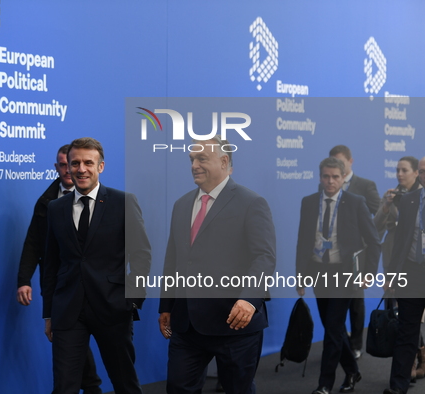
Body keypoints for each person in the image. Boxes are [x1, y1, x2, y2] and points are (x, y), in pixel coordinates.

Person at [158, 135, 277, 394]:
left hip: (235, 323)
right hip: (187, 324)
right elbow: (173, 258)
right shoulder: (181, 205)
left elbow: (264, 257)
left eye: (202, 158)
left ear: (224, 161)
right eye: (192, 159)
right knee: (178, 389)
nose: (194, 165)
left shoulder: (251, 202)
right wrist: (166, 305)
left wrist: (249, 299)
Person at [42, 137, 151, 394]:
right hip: (68, 312)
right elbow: (50, 263)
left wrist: (133, 300)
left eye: (88, 163)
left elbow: (141, 254)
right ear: (67, 167)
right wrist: (49, 313)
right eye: (75, 163)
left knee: (125, 384)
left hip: (113, 308)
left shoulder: (122, 202)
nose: (81, 169)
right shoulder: (56, 208)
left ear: (100, 166)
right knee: (64, 387)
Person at [16, 144, 102, 394]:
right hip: (60, 286)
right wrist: (24, 279)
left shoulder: (102, 199)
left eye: (74, 164)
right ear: (57, 167)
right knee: (67, 341)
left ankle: (92, 386)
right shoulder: (46, 202)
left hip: (94, 287)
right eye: (64, 165)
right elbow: (34, 243)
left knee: (91, 344)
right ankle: (90, 387)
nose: (70, 170)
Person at [296, 157, 380, 394]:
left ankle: (324, 384)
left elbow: (374, 242)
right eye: (326, 176)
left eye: (335, 177)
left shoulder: (356, 202)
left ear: (344, 177)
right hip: (318, 273)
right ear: (320, 177)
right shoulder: (309, 202)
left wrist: (368, 273)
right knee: (333, 327)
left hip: (345, 275)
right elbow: (302, 242)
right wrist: (300, 275)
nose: (330, 181)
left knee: (333, 329)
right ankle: (353, 371)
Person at [326, 145, 380, 359]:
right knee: (332, 303)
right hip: (332, 255)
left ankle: (356, 344)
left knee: (356, 302)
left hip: (357, 255)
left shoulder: (365, 185)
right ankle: (339, 344)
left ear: (350, 161)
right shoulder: (328, 184)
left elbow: (376, 209)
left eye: (340, 162)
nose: (336, 167)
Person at [383, 156, 425, 394]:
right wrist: (391, 274)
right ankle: (397, 387)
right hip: (412, 273)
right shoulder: (409, 200)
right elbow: (400, 241)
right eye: (420, 172)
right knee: (406, 332)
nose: (422, 175)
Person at [375, 156, 421, 274]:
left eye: (404, 171)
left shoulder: (422, 196)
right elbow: (376, 226)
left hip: (416, 253)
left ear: (416, 173)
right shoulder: (390, 195)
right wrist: (386, 206)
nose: (399, 174)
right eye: (397, 171)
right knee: (391, 290)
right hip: (392, 253)